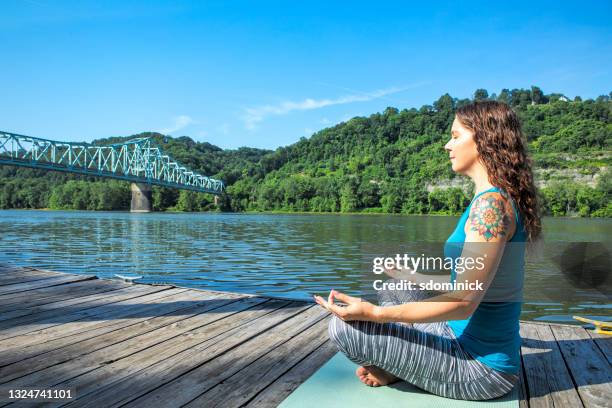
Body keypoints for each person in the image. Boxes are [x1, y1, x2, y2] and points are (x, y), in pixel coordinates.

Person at [314, 100, 541, 401]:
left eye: (456, 135)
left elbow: (464, 302)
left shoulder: (491, 207)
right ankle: (400, 364)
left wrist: (374, 313)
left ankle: (394, 368)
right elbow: (470, 286)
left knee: (343, 330)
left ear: (486, 139)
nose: (448, 145)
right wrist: (413, 275)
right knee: (398, 286)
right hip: (457, 336)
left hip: (481, 371)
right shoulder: (495, 198)